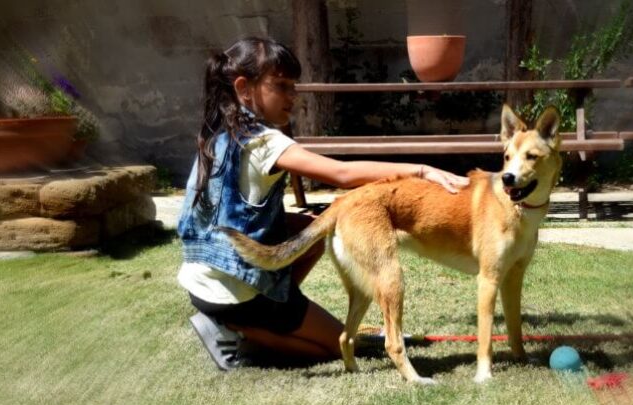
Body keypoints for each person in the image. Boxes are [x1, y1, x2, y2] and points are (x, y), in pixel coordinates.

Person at [178, 36, 469, 371]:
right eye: (281, 85)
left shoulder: (218, 131)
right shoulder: (264, 141)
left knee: (313, 232)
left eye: (294, 85)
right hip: (231, 293)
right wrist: (421, 169)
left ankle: (271, 306)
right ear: (244, 88)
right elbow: (341, 173)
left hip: (200, 279)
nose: (293, 95)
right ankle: (241, 334)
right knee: (339, 345)